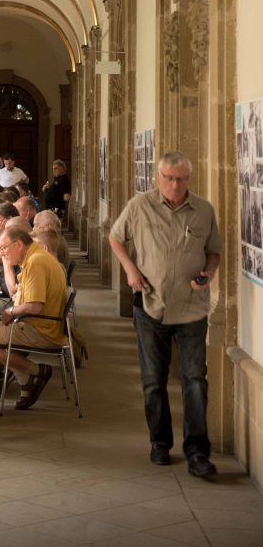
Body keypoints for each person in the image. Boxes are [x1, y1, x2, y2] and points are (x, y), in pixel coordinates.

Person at [109, 151, 221, 478]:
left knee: (195, 381)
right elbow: (115, 238)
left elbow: (213, 252)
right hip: (150, 305)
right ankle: (159, 442)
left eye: (181, 179)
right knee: (153, 381)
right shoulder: (139, 205)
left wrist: (208, 273)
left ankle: (197, 452)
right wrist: (130, 270)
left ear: (189, 178)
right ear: (158, 177)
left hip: (191, 308)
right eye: (169, 178)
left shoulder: (204, 210)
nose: (175, 185)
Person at [0, 226, 67, 409]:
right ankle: (22, 379)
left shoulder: (36, 262)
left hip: (41, 329)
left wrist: (10, 312)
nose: (2, 253)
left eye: (4, 248)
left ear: (18, 244)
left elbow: (34, 306)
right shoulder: (36, 256)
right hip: (38, 323)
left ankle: (37, 371)